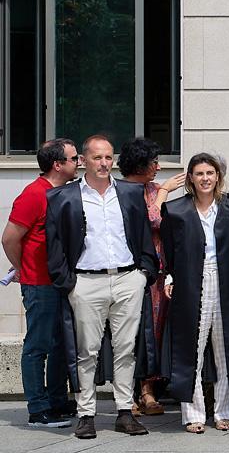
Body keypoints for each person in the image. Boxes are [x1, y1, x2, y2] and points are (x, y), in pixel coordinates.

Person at [46, 136, 161, 439]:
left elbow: (143, 236)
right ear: (83, 160)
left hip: (127, 279)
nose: (104, 163)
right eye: (97, 157)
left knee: (126, 349)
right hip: (85, 282)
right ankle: (86, 414)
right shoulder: (62, 197)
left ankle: (125, 411)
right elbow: (54, 246)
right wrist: (69, 284)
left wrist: (144, 273)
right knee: (87, 351)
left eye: (109, 157)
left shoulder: (130, 192)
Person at [158, 153, 229, 433]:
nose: (205, 178)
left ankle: (225, 411)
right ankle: (193, 415)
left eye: (210, 173)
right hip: (190, 280)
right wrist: (170, 276)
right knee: (191, 349)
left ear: (218, 176)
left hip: (227, 281)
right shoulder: (176, 210)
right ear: (190, 178)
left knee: (226, 348)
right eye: (199, 173)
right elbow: (169, 250)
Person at [7, 138, 80, 428]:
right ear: (57, 165)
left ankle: (58, 400)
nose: (79, 162)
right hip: (39, 283)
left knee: (61, 343)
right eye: (74, 158)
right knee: (38, 345)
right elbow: (9, 238)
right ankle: (38, 409)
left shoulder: (64, 192)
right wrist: (21, 268)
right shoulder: (34, 194)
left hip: (61, 280)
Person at [116, 137, 180, 418]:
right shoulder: (121, 191)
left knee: (155, 331)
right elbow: (150, 220)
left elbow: (166, 224)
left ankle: (148, 390)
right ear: (139, 164)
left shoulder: (154, 189)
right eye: (154, 162)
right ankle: (126, 393)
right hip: (131, 270)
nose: (158, 167)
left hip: (158, 271)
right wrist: (164, 192)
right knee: (129, 332)